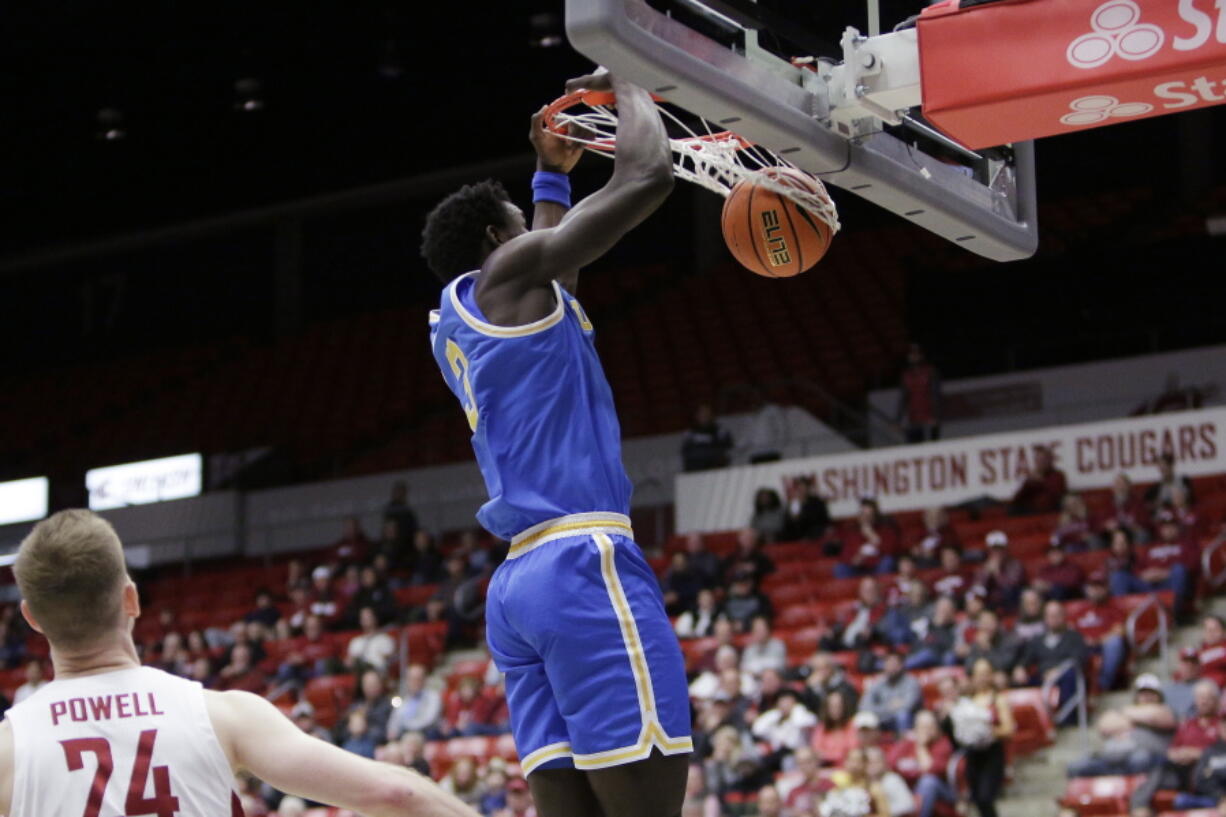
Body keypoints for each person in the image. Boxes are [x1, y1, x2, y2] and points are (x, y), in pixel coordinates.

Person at [422, 68, 690, 815]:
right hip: (581, 564)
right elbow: (649, 176)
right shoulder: (506, 272)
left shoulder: (469, 318)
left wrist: (550, 174)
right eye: (520, 220)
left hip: (519, 587)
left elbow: (557, 263)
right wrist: (631, 81)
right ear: (494, 241)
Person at [2, 509, 477, 817]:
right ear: (131, 599)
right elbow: (397, 795)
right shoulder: (221, 713)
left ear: (32, 619)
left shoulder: (10, 747)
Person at [1130, 679, 1223, 813]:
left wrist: (1199, 753)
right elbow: (1172, 749)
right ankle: (1139, 808)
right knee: (1159, 765)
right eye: (1200, 697)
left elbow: (1222, 751)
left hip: (1210, 772)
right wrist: (1177, 754)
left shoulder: (1221, 723)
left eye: (1208, 698)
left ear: (1216, 700)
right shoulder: (1187, 724)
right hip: (1182, 771)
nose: (1203, 701)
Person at [1066, 673, 1175, 777]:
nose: (1147, 696)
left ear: (1159, 695)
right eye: (1142, 693)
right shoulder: (1128, 710)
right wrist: (1137, 719)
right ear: (1136, 696)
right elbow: (1104, 726)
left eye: (1151, 693)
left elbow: (1154, 717)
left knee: (1140, 760)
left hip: (1146, 759)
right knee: (1077, 767)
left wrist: (1125, 719)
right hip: (1114, 758)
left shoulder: (1166, 710)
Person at [956, 659, 1015, 817]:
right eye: (979, 674)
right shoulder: (967, 701)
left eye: (986, 674)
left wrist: (987, 730)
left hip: (992, 754)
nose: (982, 678)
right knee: (976, 799)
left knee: (985, 797)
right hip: (973, 753)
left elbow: (1009, 729)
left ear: (991, 676)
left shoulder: (998, 699)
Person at [887, 711, 954, 817]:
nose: (926, 731)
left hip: (943, 792)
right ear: (915, 728)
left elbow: (930, 769)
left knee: (928, 782)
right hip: (909, 789)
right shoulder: (907, 743)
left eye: (930, 726)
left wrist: (921, 746)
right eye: (922, 727)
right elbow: (890, 763)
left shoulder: (942, 744)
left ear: (937, 728)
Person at [1068, 572, 1128, 691]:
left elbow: (1119, 631)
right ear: (1087, 589)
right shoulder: (1080, 610)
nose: (1096, 590)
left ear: (1106, 588)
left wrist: (1098, 640)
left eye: (1100, 586)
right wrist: (1083, 641)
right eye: (1093, 586)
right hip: (1083, 647)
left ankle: (1103, 684)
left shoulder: (1114, 607)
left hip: (1103, 646)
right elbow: (1070, 630)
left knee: (1114, 643)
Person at [859, 651, 921, 733]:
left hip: (905, 722)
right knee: (864, 718)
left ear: (902, 666)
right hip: (882, 720)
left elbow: (908, 706)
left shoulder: (911, 682)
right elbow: (863, 706)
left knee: (902, 715)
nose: (891, 667)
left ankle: (904, 742)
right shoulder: (878, 682)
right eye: (888, 664)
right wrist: (888, 706)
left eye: (894, 664)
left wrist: (880, 709)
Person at [896, 344, 941, 444]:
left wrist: (936, 416)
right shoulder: (906, 375)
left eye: (916, 354)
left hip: (929, 417)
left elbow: (936, 394)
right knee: (915, 446)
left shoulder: (930, 371)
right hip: (914, 419)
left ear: (921, 355)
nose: (914, 356)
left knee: (932, 446)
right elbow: (903, 398)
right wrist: (898, 420)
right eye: (911, 354)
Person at [1009, 445, 1067, 515]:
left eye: (1043, 459)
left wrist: (1039, 482)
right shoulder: (1031, 479)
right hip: (1031, 511)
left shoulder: (1058, 476)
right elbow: (1017, 500)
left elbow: (1055, 494)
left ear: (1050, 460)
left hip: (1049, 511)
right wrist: (1028, 484)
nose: (1040, 463)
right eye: (1038, 460)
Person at [681, 404, 734, 471]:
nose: (704, 416)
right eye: (702, 413)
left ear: (712, 415)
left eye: (707, 413)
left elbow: (728, 448)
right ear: (696, 416)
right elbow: (686, 452)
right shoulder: (690, 433)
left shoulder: (720, 431)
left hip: (716, 468)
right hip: (696, 469)